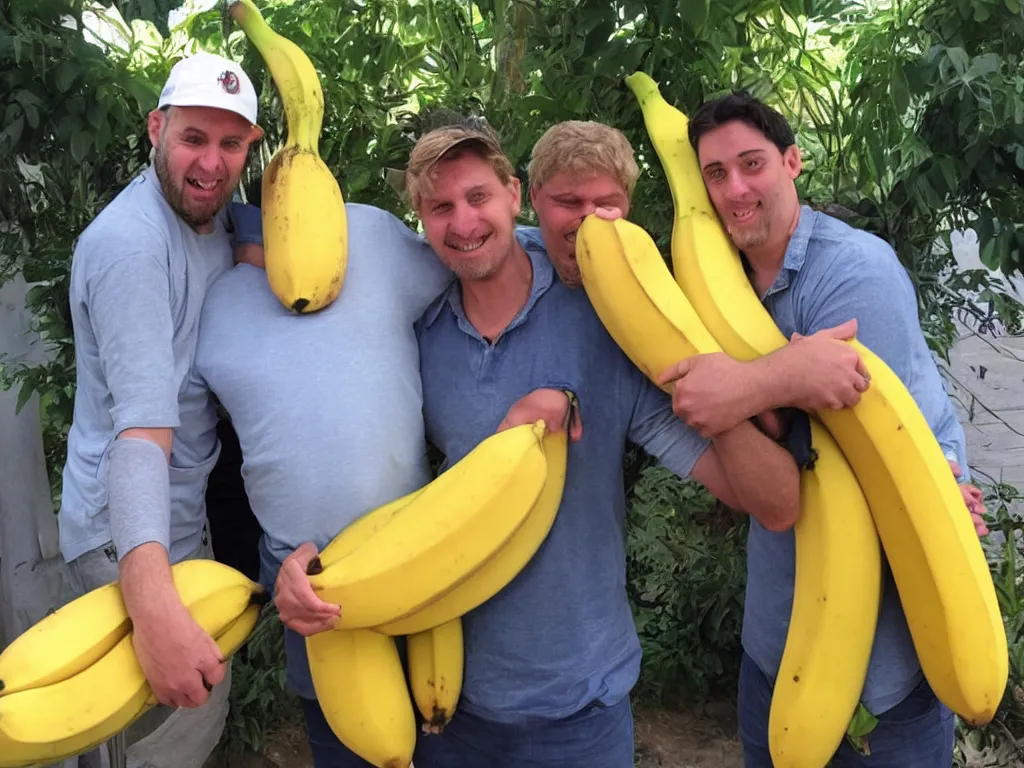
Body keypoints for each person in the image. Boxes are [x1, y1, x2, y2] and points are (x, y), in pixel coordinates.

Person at [399, 118, 803, 767]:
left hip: (580, 700)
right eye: (441, 206)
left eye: (477, 196)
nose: (464, 221)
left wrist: (732, 397)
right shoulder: (414, 327)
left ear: (510, 194)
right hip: (447, 696)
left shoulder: (615, 320)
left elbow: (773, 502)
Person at [659, 91, 988, 766]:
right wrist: (791, 375)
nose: (735, 188)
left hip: (884, 672)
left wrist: (751, 385)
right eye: (715, 174)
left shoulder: (853, 270)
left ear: (792, 162)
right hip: (777, 645)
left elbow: (893, 449)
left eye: (752, 164)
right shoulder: (717, 285)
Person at [55, 51, 264, 766]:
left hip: (183, 516)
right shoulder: (132, 247)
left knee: (181, 724)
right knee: (154, 734)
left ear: (250, 148)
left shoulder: (217, 226)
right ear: (155, 128)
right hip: (131, 533)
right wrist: (152, 608)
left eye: (229, 143)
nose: (210, 163)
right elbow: (139, 436)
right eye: (192, 139)